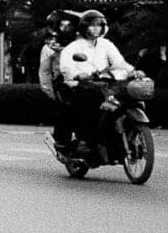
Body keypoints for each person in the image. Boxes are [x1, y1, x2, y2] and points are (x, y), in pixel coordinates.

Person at [58, 9, 132, 148]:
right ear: (84, 27)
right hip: (81, 85)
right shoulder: (74, 47)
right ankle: (84, 140)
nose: (95, 28)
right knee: (89, 103)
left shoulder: (106, 44)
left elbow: (119, 62)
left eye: (98, 25)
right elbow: (66, 66)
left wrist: (133, 71)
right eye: (92, 25)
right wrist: (77, 75)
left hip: (104, 84)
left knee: (123, 99)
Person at [38, 9, 80, 149]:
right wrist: (49, 92)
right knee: (65, 110)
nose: (66, 28)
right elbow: (44, 72)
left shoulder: (82, 44)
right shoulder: (49, 48)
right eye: (63, 25)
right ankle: (63, 142)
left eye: (69, 25)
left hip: (83, 80)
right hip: (62, 83)